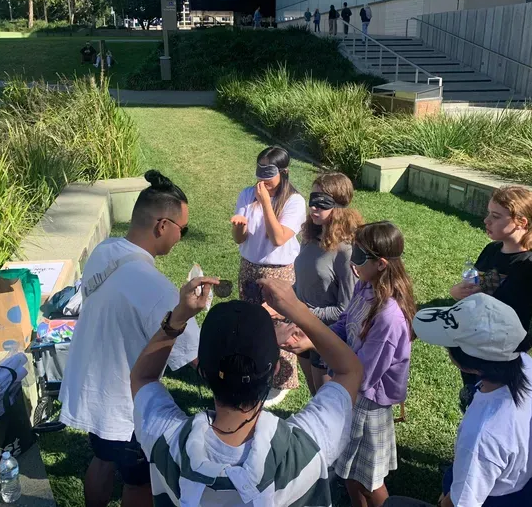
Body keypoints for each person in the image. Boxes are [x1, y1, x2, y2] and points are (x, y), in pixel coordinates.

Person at [130, 278, 364, 506]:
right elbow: (349, 370)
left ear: (201, 371)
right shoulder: (307, 446)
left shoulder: (166, 442)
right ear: (276, 369)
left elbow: (143, 377)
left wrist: (178, 318)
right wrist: (298, 310)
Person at [59, 170, 199, 507]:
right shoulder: (157, 289)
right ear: (162, 226)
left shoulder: (105, 251)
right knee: (139, 482)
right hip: (128, 403)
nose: (181, 238)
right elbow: (196, 356)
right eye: (183, 230)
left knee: (102, 460)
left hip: (94, 389)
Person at [286, 221, 416, 507]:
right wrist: (314, 337)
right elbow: (345, 323)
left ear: (381, 264)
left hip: (368, 404)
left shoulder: (389, 317)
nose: (351, 260)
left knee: (369, 481)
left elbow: (363, 375)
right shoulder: (365, 286)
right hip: (352, 393)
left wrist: (315, 344)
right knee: (350, 475)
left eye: (358, 254)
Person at [413, 294, 532, 507]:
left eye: (449, 346)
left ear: (468, 365)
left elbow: (462, 502)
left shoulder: (482, 433)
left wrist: (445, 501)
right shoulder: (526, 365)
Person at [449, 186, 532, 411]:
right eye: (488, 214)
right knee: (472, 399)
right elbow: (472, 286)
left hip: (500, 355)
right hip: (475, 344)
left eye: (495, 216)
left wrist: (477, 297)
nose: (486, 220)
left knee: (490, 410)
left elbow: (511, 314)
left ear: (521, 222)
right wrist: (457, 292)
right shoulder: (491, 250)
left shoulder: (529, 265)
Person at [231, 146, 306, 393]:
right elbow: (240, 239)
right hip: (250, 268)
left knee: (279, 325)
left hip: (278, 271)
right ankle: (254, 370)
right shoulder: (247, 194)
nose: (263, 179)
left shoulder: (294, 201)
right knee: (252, 322)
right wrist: (239, 227)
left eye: (269, 173)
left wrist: (265, 203)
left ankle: (280, 381)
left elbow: (278, 238)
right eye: (259, 171)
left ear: (283, 172)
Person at [294, 172, 362, 395]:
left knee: (326, 402)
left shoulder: (345, 251)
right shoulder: (309, 237)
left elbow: (346, 309)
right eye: (312, 199)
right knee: (314, 397)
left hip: (326, 337)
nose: (313, 207)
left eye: (322, 202)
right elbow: (302, 283)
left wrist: (304, 312)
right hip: (302, 329)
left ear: (339, 206)